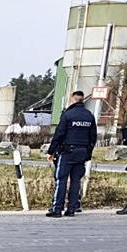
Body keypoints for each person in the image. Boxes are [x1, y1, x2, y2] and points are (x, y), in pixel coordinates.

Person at [46, 90, 97, 218]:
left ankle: (57, 209)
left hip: (68, 151)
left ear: (73, 100)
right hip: (82, 152)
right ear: (82, 100)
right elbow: (93, 137)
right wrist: (88, 153)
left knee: (61, 179)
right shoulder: (89, 116)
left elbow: (59, 134)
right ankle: (72, 209)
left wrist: (51, 151)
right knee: (76, 180)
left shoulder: (68, 115)